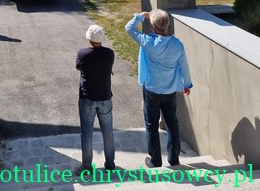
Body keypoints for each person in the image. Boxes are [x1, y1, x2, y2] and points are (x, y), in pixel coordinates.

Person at [125, 9, 193, 169]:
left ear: (153, 27)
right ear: (167, 25)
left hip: (152, 91)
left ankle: (155, 160)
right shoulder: (177, 44)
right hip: (170, 91)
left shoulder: (147, 41)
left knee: (151, 125)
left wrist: (142, 16)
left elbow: (129, 28)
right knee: (172, 125)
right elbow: (184, 66)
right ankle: (174, 159)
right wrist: (187, 84)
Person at [75, 24, 116, 174]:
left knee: (87, 134)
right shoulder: (109, 54)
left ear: (89, 38)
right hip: (105, 98)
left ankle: (86, 167)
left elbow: (78, 67)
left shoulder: (82, 53)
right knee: (108, 132)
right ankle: (110, 164)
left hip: (87, 98)